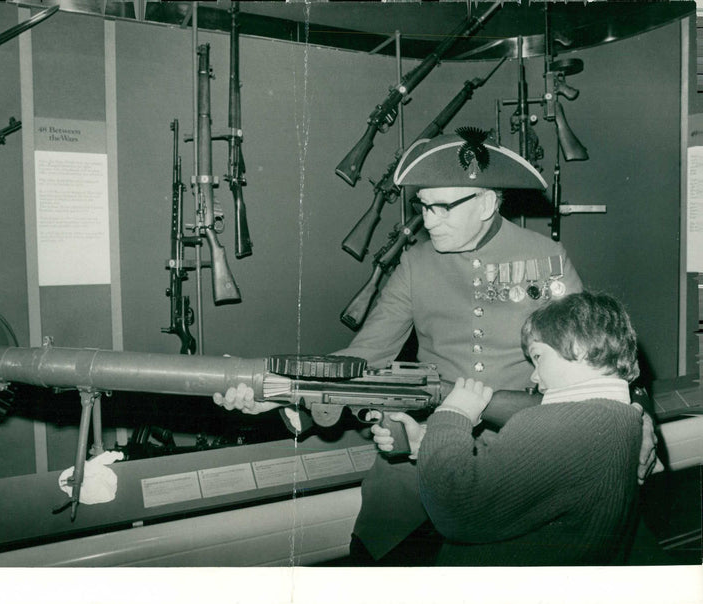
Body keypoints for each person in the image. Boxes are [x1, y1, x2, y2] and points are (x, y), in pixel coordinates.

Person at [213, 127, 658, 564]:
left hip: (524, 464)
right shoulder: (415, 264)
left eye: (443, 208)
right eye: (423, 207)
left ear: (486, 202)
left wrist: (637, 415)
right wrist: (282, 391)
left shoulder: (545, 257)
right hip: (416, 457)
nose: (428, 222)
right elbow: (363, 357)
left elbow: (600, 354)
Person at [375, 291, 643, 565]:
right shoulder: (622, 418)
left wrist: (452, 413)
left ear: (579, 346)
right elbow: (520, 481)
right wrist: (429, 443)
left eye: (539, 357)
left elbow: (456, 510)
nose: (534, 376)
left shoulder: (554, 424)